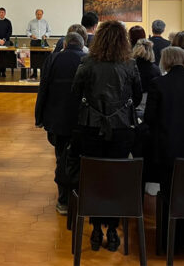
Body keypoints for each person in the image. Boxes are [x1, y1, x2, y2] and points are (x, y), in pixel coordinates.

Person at [72, 20, 142, 252]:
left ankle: (95, 229)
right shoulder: (130, 64)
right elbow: (138, 95)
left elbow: (75, 92)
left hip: (91, 126)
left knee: (94, 177)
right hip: (121, 127)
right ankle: (113, 230)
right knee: (116, 178)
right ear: (124, 41)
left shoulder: (88, 62)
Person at [35, 32, 86, 215]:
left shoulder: (53, 58)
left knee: (61, 158)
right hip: (81, 120)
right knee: (80, 160)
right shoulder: (86, 59)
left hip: (57, 118)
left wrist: (39, 117)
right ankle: (81, 199)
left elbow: (44, 88)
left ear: (65, 44)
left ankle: (63, 200)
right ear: (82, 44)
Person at [144, 47, 184, 249]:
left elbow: (150, 118)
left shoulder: (159, 84)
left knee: (169, 192)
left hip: (167, 150)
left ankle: (170, 242)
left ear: (166, 61)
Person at [132, 39, 161, 112]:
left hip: (131, 102)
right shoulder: (155, 69)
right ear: (151, 52)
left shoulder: (129, 67)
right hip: (148, 104)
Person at [26, 9, 51, 78]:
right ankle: (34, 73)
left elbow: (49, 31)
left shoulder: (45, 22)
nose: (39, 16)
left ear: (42, 14)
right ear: (35, 14)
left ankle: (43, 73)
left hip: (43, 41)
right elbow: (27, 31)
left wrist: (46, 35)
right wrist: (31, 35)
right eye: (38, 14)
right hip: (34, 41)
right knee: (34, 57)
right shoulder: (31, 22)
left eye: (40, 14)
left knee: (43, 58)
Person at [0, 7, 12, 77]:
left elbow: (9, 32)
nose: (1, 14)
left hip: (6, 42)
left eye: (2, 12)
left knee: (4, 57)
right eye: (0, 12)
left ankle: (3, 72)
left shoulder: (8, 22)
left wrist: (4, 40)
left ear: (5, 13)